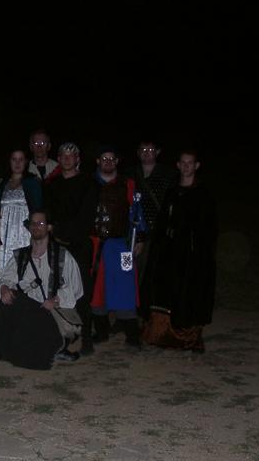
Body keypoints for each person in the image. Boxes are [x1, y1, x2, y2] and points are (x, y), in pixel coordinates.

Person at [0, 211, 84, 369]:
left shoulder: (63, 256)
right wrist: (4, 289)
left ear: (49, 227)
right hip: (27, 312)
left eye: (41, 223)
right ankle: (4, 344)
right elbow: (6, 280)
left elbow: (75, 288)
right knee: (11, 299)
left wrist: (55, 300)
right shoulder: (20, 256)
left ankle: (53, 347)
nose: (36, 226)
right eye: (33, 223)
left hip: (52, 313)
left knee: (35, 330)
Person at [141, 149, 217, 353]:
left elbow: (207, 228)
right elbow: (164, 222)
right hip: (168, 251)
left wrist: (198, 251)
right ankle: (161, 333)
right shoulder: (172, 191)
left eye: (190, 163)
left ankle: (188, 336)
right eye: (183, 162)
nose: (186, 166)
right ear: (178, 165)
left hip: (191, 255)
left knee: (188, 292)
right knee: (165, 290)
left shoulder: (203, 194)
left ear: (196, 166)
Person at [44, 142, 99, 355]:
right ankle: (60, 336)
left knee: (82, 291)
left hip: (79, 245)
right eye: (63, 155)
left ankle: (86, 337)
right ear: (58, 158)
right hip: (56, 245)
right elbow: (48, 214)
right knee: (55, 289)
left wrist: (60, 229)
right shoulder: (52, 184)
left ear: (78, 159)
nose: (67, 159)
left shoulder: (89, 184)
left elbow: (85, 218)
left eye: (71, 155)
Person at [89, 146, 142, 347]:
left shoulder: (127, 184)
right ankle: (101, 330)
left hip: (122, 245)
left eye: (112, 159)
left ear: (117, 161)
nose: (108, 162)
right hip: (95, 245)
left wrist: (140, 238)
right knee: (97, 288)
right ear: (98, 161)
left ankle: (132, 334)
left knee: (126, 286)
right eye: (104, 158)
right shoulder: (89, 183)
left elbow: (136, 212)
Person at [123, 139, 177, 317]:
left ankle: (145, 310)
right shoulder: (128, 173)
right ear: (138, 152)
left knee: (150, 272)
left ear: (158, 152)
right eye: (143, 149)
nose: (147, 153)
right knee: (127, 269)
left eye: (151, 149)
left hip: (156, 233)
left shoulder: (168, 175)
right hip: (129, 233)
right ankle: (125, 310)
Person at [0, 149, 43, 272]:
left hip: (24, 232)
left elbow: (38, 209)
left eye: (21, 159)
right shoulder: (1, 183)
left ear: (26, 162)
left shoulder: (32, 182)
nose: (17, 163)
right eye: (14, 159)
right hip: (4, 232)